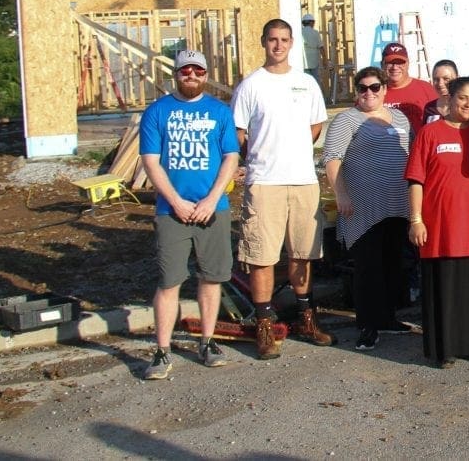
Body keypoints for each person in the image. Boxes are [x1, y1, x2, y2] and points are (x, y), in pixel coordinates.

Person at [232, 19, 332, 360]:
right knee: (262, 257)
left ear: (292, 43)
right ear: (263, 42)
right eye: (272, 39)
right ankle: (264, 325)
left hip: (303, 181)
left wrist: (294, 149)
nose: (278, 45)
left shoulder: (306, 83)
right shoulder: (251, 86)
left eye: (284, 40)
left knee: (303, 253)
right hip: (265, 183)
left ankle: (306, 318)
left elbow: (316, 125)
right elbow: (240, 133)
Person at [139, 50, 240, 379]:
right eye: (186, 71)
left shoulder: (219, 112)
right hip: (172, 211)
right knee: (170, 281)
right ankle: (162, 350)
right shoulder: (157, 112)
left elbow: (230, 158)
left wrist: (212, 199)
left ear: (205, 74)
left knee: (211, 278)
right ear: (176, 74)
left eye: (198, 71)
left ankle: (207, 341)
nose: (191, 76)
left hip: (213, 209)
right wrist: (176, 201)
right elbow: (151, 162)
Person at [405, 77, 469, 367]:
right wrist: (416, 219)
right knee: (444, 288)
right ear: (449, 99)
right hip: (440, 228)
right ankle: (445, 349)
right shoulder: (430, 133)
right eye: (462, 98)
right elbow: (415, 180)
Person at [323, 66, 413, 351]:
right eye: (363, 88)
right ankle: (367, 326)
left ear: (385, 89)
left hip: (397, 204)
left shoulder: (399, 117)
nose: (369, 93)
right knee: (367, 268)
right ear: (356, 92)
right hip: (363, 207)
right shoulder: (346, 120)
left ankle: (387, 319)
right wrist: (342, 195)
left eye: (375, 87)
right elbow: (332, 159)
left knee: (391, 265)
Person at [381, 42, 437, 134]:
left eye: (400, 62)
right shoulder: (373, 91)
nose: (395, 67)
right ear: (382, 65)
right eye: (390, 62)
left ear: (408, 63)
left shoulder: (426, 89)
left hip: (418, 147)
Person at [422, 60, 458, 124]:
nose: (440, 84)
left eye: (446, 79)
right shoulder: (429, 108)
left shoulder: (468, 106)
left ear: (457, 79)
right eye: (436, 79)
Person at [301, 13, 326, 81]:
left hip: (303, 61)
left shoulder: (300, 32)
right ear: (311, 22)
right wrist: (324, 60)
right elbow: (321, 47)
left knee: (305, 80)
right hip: (314, 61)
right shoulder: (315, 33)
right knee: (315, 80)